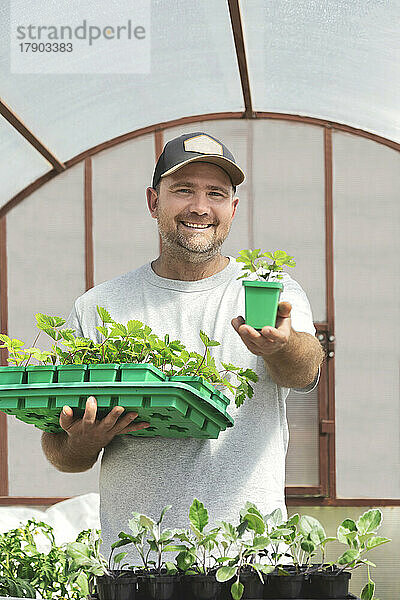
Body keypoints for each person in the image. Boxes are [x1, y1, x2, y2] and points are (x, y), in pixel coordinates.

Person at [41, 132, 324, 561]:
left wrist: (279, 347)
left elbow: (304, 372)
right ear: (154, 202)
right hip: (138, 564)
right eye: (183, 190)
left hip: (248, 562)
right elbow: (63, 454)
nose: (199, 206)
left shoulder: (266, 289)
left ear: (232, 208)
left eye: (215, 193)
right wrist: (85, 440)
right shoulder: (100, 306)